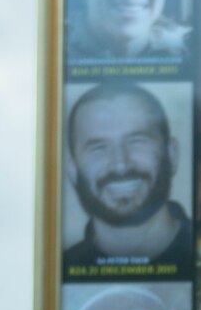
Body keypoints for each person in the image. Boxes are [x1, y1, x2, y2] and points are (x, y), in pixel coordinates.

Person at [64, 81, 193, 273]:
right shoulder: (61, 269)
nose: (121, 164)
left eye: (137, 141)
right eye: (99, 148)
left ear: (172, 155)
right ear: (73, 171)